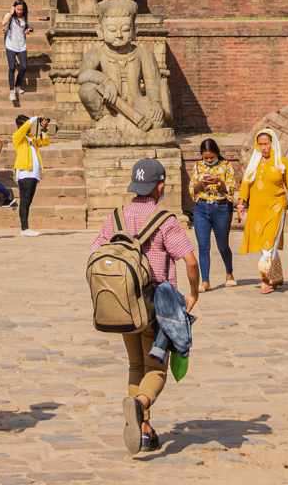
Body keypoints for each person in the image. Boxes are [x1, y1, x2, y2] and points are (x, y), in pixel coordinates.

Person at [90, 156, 200, 457]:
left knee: (135, 364)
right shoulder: (165, 221)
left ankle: (144, 428)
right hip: (155, 307)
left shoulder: (115, 217)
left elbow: (97, 252)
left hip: (123, 305)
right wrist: (193, 294)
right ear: (160, 186)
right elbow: (190, 261)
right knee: (157, 369)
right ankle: (140, 405)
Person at [237, 127, 288, 294]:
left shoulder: (282, 163)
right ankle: (276, 276)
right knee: (266, 244)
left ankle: (264, 279)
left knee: (269, 244)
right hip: (257, 209)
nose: (263, 147)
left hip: (276, 208)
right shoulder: (254, 162)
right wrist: (241, 203)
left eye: (266, 144)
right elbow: (246, 183)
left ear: (273, 144)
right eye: (260, 144)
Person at [188, 138, 237, 290]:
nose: (209, 160)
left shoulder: (226, 166)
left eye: (212, 157)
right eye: (206, 157)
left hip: (220, 208)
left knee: (223, 245)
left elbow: (231, 188)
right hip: (202, 208)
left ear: (217, 154)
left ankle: (229, 273)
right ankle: (205, 281)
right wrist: (200, 184)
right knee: (203, 246)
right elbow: (192, 189)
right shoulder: (198, 166)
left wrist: (220, 182)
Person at [10, 112, 49, 234]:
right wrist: (34, 118)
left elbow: (44, 142)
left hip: (33, 173)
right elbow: (26, 127)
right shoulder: (17, 137)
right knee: (25, 200)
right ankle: (24, 228)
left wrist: (44, 130)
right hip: (25, 172)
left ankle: (25, 227)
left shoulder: (31, 138)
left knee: (28, 200)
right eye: (26, 125)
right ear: (21, 126)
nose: (30, 127)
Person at [3, 0, 30, 104]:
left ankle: (17, 86)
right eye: (18, 9)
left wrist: (27, 31)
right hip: (10, 45)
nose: (19, 12)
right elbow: (3, 23)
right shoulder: (10, 16)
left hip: (21, 45)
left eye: (21, 10)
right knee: (12, 67)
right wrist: (10, 13)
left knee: (23, 66)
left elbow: (25, 29)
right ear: (14, 8)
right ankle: (11, 91)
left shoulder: (25, 17)